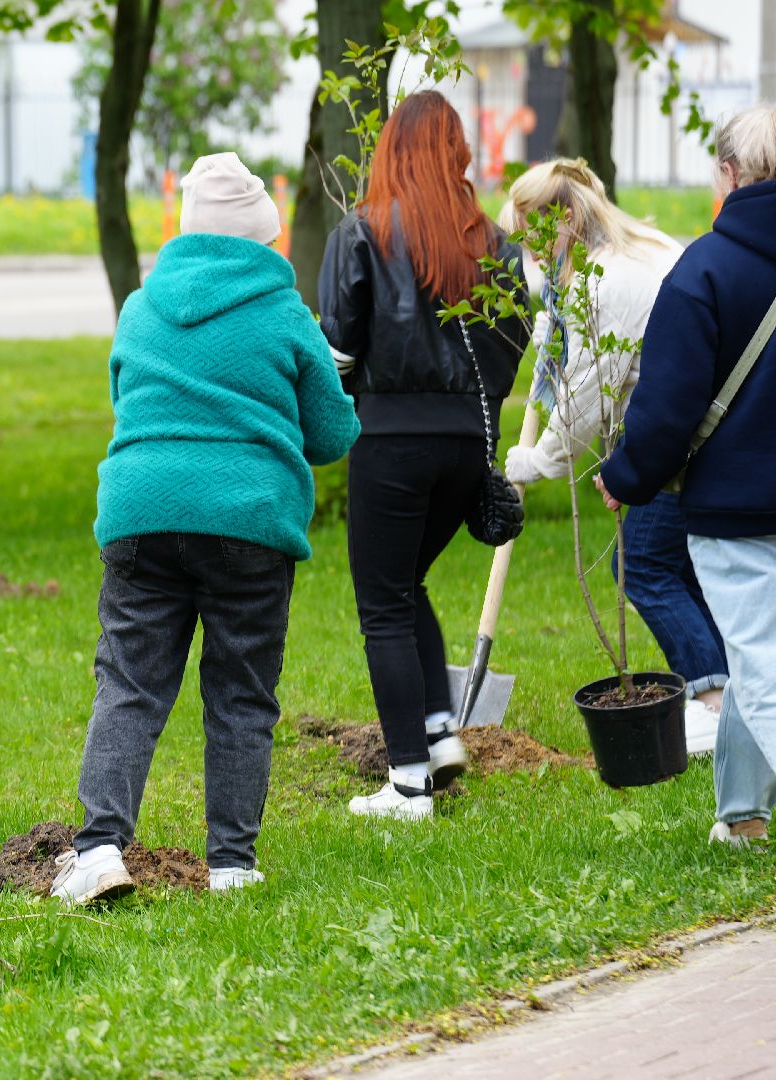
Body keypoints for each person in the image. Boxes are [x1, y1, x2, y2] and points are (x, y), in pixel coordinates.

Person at [51, 153, 360, 904]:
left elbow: (130, 398)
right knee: (241, 693)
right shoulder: (284, 312)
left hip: (140, 513)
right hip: (246, 521)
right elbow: (331, 435)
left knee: (128, 682)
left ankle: (96, 851)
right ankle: (232, 866)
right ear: (263, 238)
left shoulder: (140, 306)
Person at [318, 91, 529, 822]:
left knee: (382, 605)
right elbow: (511, 345)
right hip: (467, 445)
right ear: (458, 152)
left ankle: (407, 784)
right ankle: (439, 735)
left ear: (390, 151)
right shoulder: (494, 242)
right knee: (409, 585)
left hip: (389, 441)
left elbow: (336, 352)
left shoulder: (362, 233)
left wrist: (352, 397)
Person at [497, 159, 724, 755]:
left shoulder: (606, 281)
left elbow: (589, 392)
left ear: (566, 218)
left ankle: (713, 699)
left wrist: (540, 460)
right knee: (681, 565)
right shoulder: (634, 245)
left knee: (643, 565)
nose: (532, 250)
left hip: (676, 438)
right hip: (702, 426)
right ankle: (733, 694)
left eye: (535, 234)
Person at [597, 104, 776, 848]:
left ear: (731, 176)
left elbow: (668, 409)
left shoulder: (703, 269)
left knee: (764, 665)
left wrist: (627, 475)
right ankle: (741, 817)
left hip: (734, 511)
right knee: (756, 655)